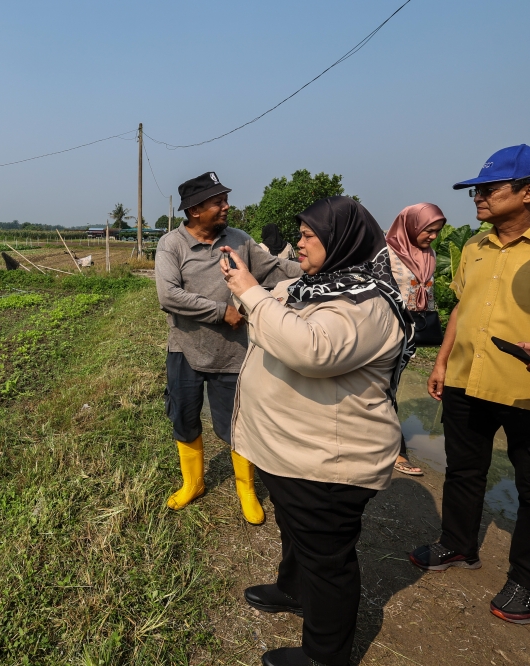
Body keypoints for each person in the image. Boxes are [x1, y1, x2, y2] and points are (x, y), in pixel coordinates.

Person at [220, 196, 414, 666]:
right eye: (300, 234)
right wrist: (253, 293)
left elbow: (309, 349)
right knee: (297, 531)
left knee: (328, 561)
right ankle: (293, 588)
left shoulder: (366, 302)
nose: (300, 243)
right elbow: (275, 308)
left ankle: (325, 655)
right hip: (294, 451)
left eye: (310, 236)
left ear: (342, 240)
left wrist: (248, 289)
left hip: (328, 461)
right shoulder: (315, 286)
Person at [410, 144, 530, 626]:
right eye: (475, 190)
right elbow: (460, 308)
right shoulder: (476, 247)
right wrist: (440, 363)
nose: (477, 198)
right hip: (466, 378)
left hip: (521, 387)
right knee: (464, 468)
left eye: (490, 189)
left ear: (526, 193)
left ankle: (523, 578)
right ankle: (458, 545)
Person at [154, 172, 302, 524]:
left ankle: (245, 490)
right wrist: (222, 312)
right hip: (185, 351)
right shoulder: (171, 245)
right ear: (194, 210)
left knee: (238, 424)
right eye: (217, 202)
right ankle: (194, 483)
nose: (226, 206)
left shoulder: (240, 240)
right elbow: (168, 295)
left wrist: (319, 268)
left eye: (224, 199)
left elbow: (277, 270)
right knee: (185, 419)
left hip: (233, 355)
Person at [385, 203, 447, 476]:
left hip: (411, 335)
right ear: (410, 226)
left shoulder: (428, 255)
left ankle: (388, 447)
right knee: (383, 388)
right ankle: (395, 451)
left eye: (436, 231)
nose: (432, 236)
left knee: (389, 388)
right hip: (384, 331)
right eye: (428, 230)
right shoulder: (385, 253)